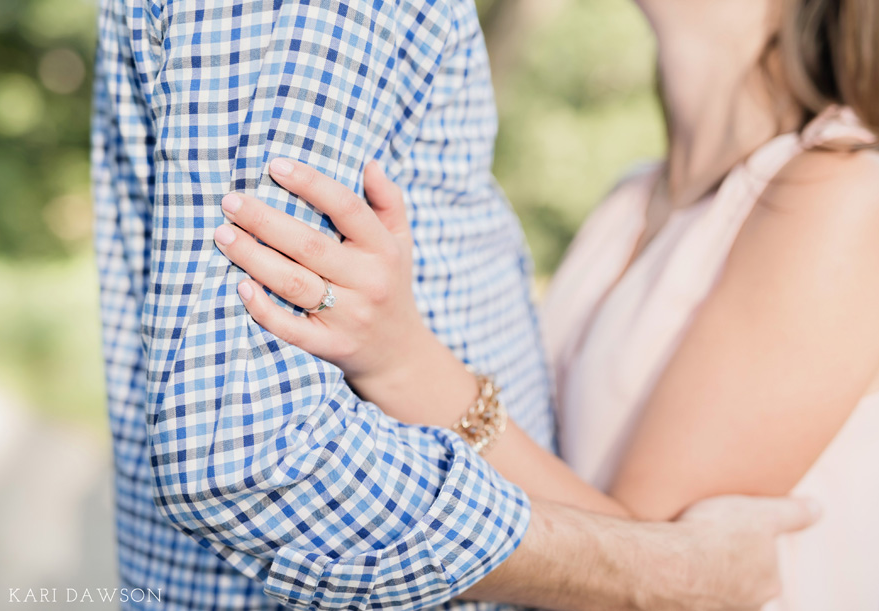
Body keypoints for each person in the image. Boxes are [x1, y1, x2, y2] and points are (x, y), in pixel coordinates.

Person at [92, 0, 817, 609]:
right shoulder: (634, 196)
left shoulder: (827, 195)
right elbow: (249, 450)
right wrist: (666, 573)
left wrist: (403, 358)